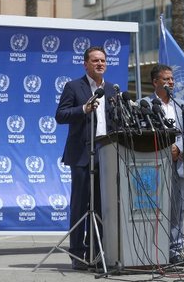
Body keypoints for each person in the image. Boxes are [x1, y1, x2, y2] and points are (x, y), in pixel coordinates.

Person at [55, 46, 116, 270]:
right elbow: (60, 115)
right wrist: (83, 109)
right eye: (95, 60)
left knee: (100, 207)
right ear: (86, 64)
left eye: (103, 60)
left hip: (106, 155)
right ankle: (78, 255)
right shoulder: (73, 87)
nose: (100, 64)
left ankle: (95, 252)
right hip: (81, 155)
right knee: (80, 206)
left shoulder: (112, 90)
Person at [146, 64, 184, 265]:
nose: (171, 82)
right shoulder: (145, 104)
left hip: (178, 163)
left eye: (172, 79)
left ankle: (175, 251)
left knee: (177, 210)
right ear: (155, 82)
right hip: (152, 164)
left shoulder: (183, 105)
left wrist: (178, 147)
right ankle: (152, 249)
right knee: (153, 209)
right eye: (166, 79)